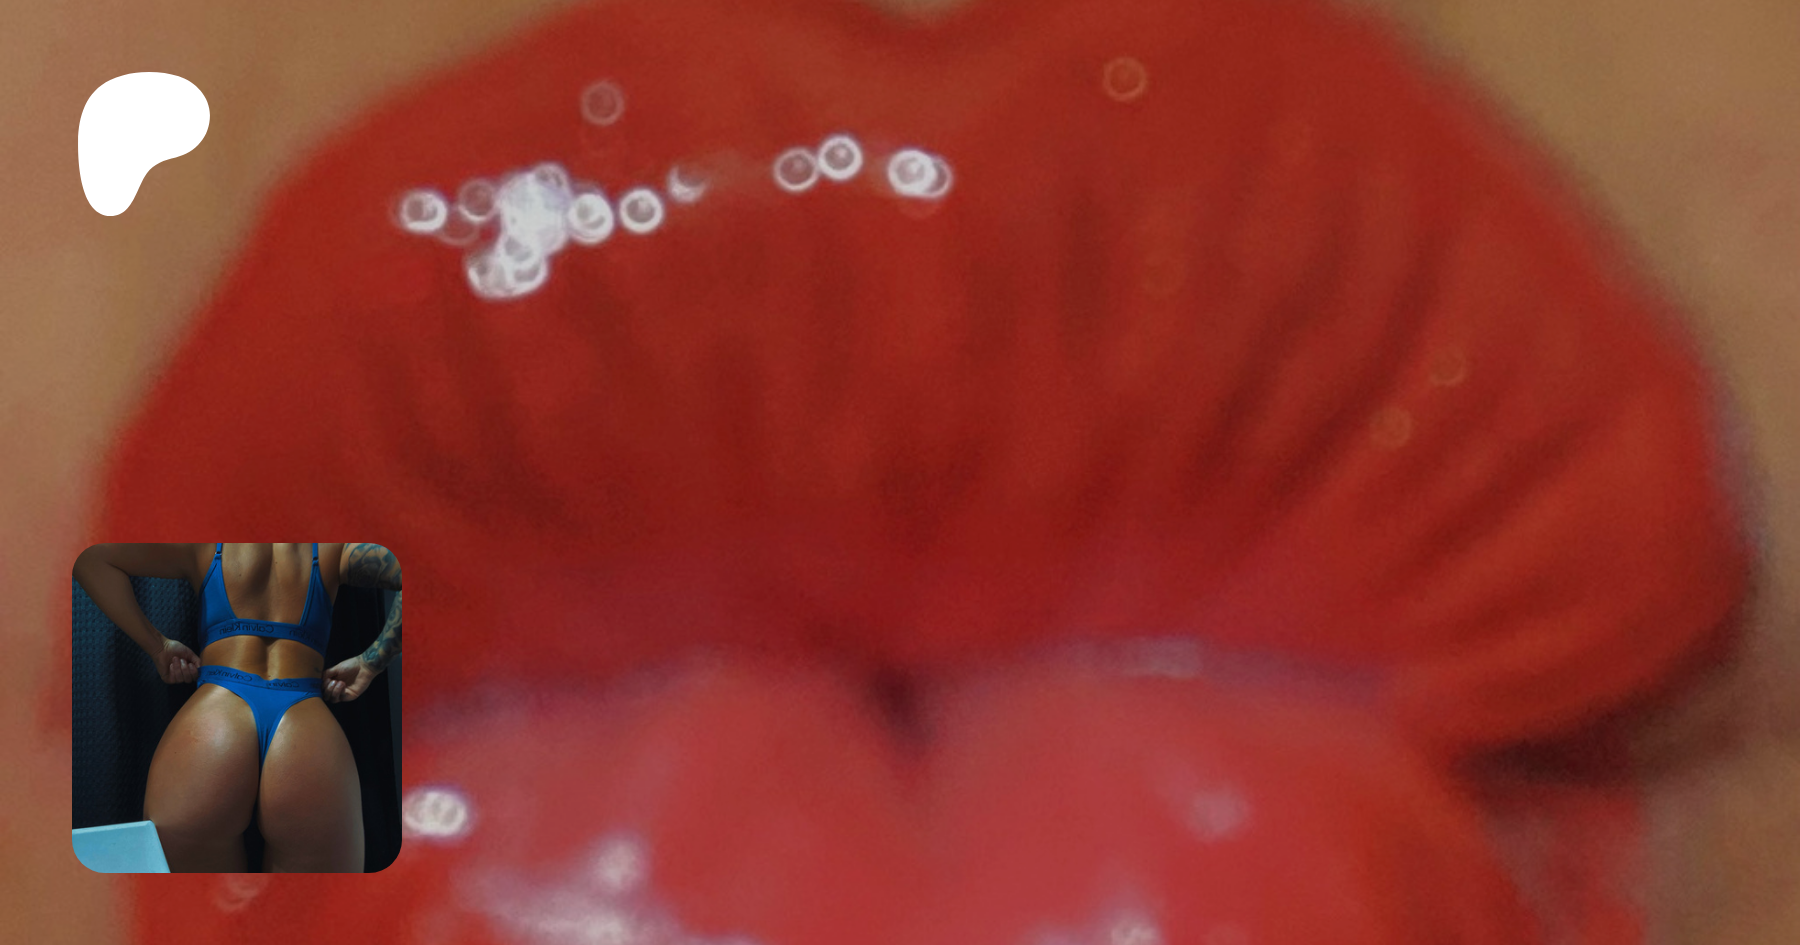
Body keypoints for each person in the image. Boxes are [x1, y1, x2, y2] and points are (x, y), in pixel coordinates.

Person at [71, 542, 402, 872]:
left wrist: (158, 647)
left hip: (216, 719)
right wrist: (370, 663)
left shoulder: (204, 545)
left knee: (191, 903)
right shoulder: (334, 548)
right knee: (314, 904)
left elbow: (90, 559)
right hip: (305, 726)